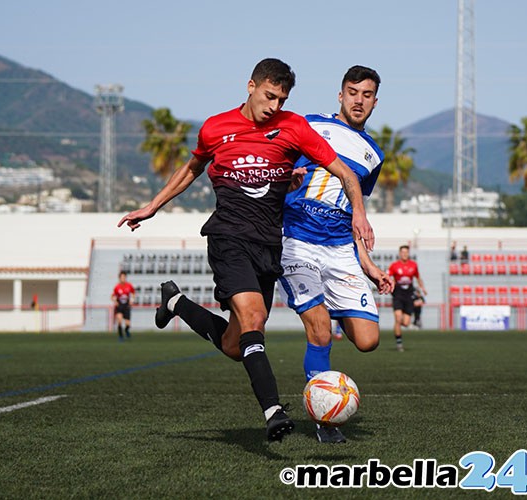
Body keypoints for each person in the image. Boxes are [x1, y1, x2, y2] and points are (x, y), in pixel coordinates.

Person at [117, 58, 374, 442]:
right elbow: (192, 167)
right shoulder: (216, 127)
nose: (274, 106)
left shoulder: (293, 127)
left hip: (269, 245)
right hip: (228, 237)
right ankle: (273, 411)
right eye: (269, 96)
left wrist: (358, 213)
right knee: (254, 317)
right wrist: (153, 206)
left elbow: (346, 173)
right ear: (251, 86)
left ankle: (176, 304)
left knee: (236, 345)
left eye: (282, 99)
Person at [278, 65, 393, 444]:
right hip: (296, 240)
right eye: (353, 92)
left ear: (376, 101)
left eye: (367, 94)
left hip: (341, 249)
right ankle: (324, 418)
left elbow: (355, 211)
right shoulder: (309, 126)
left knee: (368, 340)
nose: (359, 100)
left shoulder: (373, 154)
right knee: (320, 328)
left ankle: (327, 315)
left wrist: (369, 265)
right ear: (340, 94)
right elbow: (277, 167)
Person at [388, 245, 427, 351]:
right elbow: (388, 277)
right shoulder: (394, 266)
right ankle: (399, 343)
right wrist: (388, 285)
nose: (404, 254)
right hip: (398, 295)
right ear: (400, 253)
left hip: (408, 296)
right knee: (398, 318)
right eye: (403, 252)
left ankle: (399, 324)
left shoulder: (413, 265)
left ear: (408, 253)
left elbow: (418, 278)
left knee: (405, 322)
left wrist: (422, 288)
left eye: (406, 252)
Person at [111, 271, 135, 341]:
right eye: (122, 277)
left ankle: (127, 330)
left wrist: (132, 300)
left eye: (124, 277)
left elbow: (133, 293)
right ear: (119, 278)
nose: (123, 279)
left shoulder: (129, 285)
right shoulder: (117, 287)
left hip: (126, 306)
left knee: (128, 324)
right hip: (119, 306)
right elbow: (112, 296)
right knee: (119, 321)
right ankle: (121, 336)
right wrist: (115, 301)